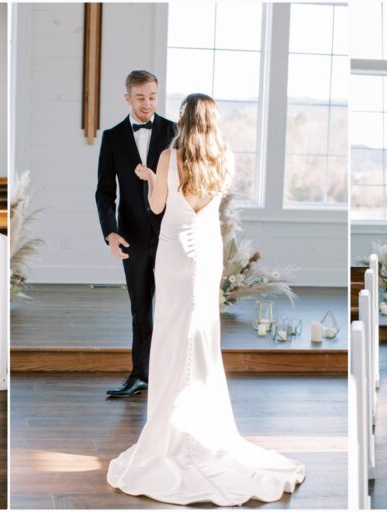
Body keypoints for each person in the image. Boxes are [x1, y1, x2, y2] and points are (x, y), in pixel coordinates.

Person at [106, 93, 305, 505]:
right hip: (206, 251)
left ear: (182, 118)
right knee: (202, 337)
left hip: (176, 250)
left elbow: (158, 205)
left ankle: (170, 430)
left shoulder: (168, 156)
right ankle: (202, 423)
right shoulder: (224, 158)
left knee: (172, 334)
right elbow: (212, 204)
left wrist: (151, 178)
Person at [95, 70, 177, 398]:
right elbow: (104, 192)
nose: (147, 103)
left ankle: (171, 376)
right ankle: (140, 375)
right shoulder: (113, 137)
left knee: (174, 306)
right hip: (132, 237)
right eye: (140, 97)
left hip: (171, 234)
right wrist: (110, 233)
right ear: (127, 97)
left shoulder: (173, 131)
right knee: (140, 309)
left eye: (153, 96)